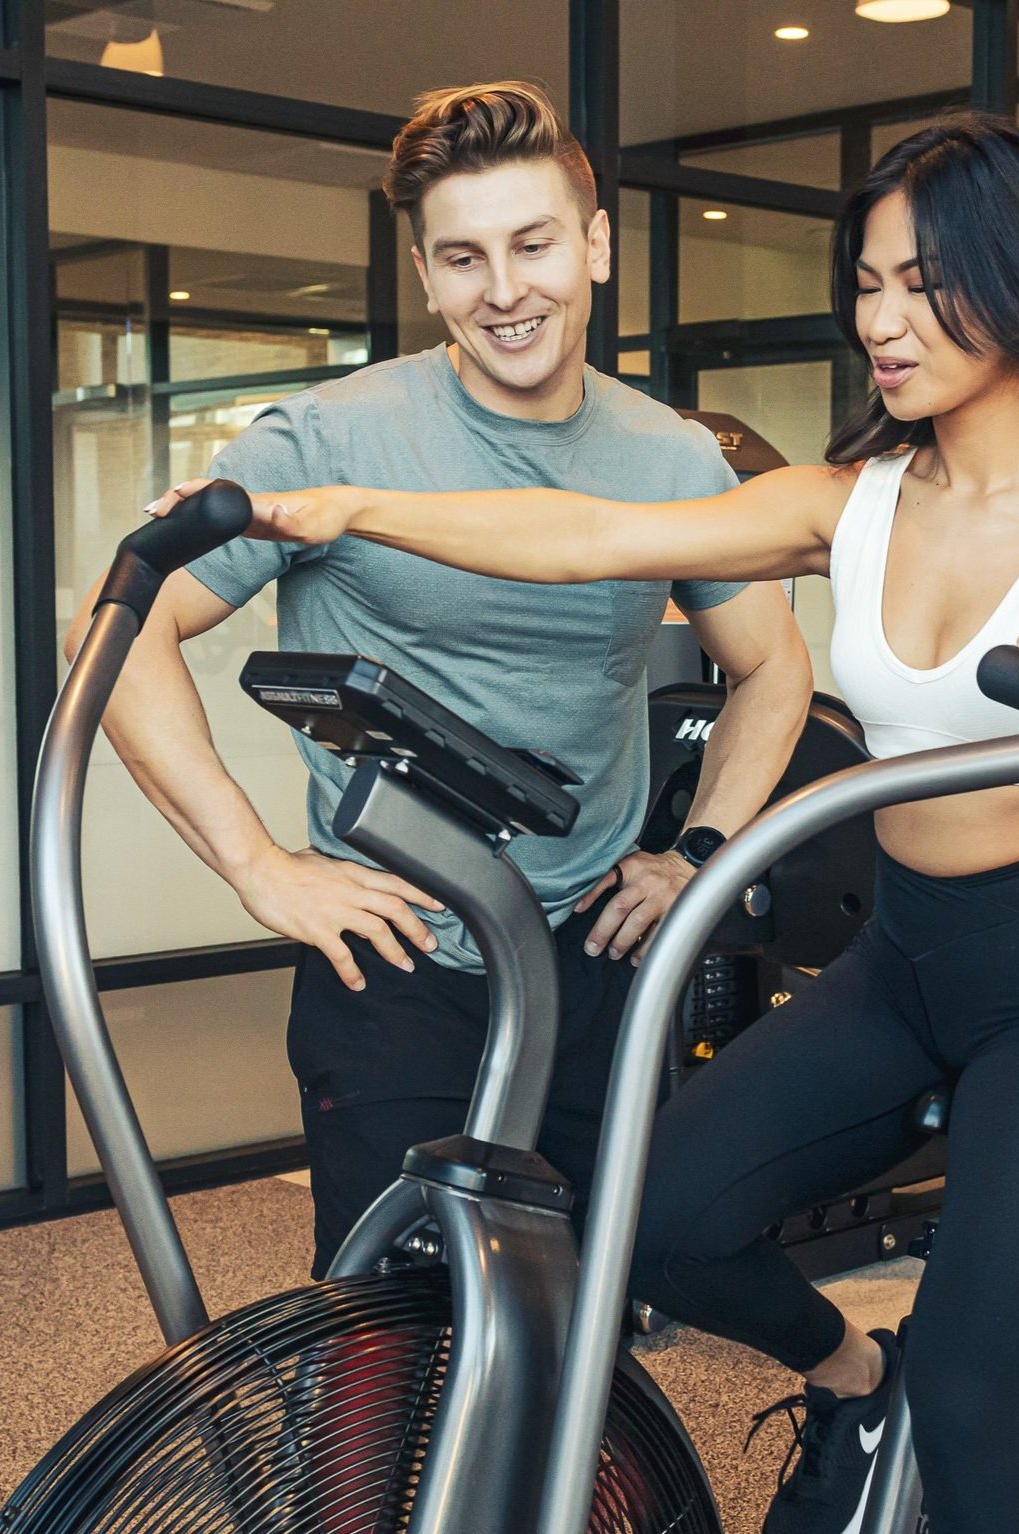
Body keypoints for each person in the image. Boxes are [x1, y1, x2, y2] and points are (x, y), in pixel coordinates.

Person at [152, 115, 1019, 1534]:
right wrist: (346, 506)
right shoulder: (852, 500)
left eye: (921, 287)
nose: (881, 324)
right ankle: (855, 1382)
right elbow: (591, 537)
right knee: (651, 1224)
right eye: (870, 285)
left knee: (969, 1424)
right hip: (904, 962)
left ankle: (924, 1402)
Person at [86, 81, 810, 1281]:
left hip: (589, 945)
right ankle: (372, 1482)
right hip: (395, 945)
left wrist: (695, 853)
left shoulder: (675, 459)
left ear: (596, 244)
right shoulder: (328, 439)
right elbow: (112, 640)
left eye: (533, 244)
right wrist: (259, 866)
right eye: (464, 257)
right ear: (427, 277)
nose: (505, 289)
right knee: (383, 1301)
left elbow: (775, 668)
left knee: (584, 1291)